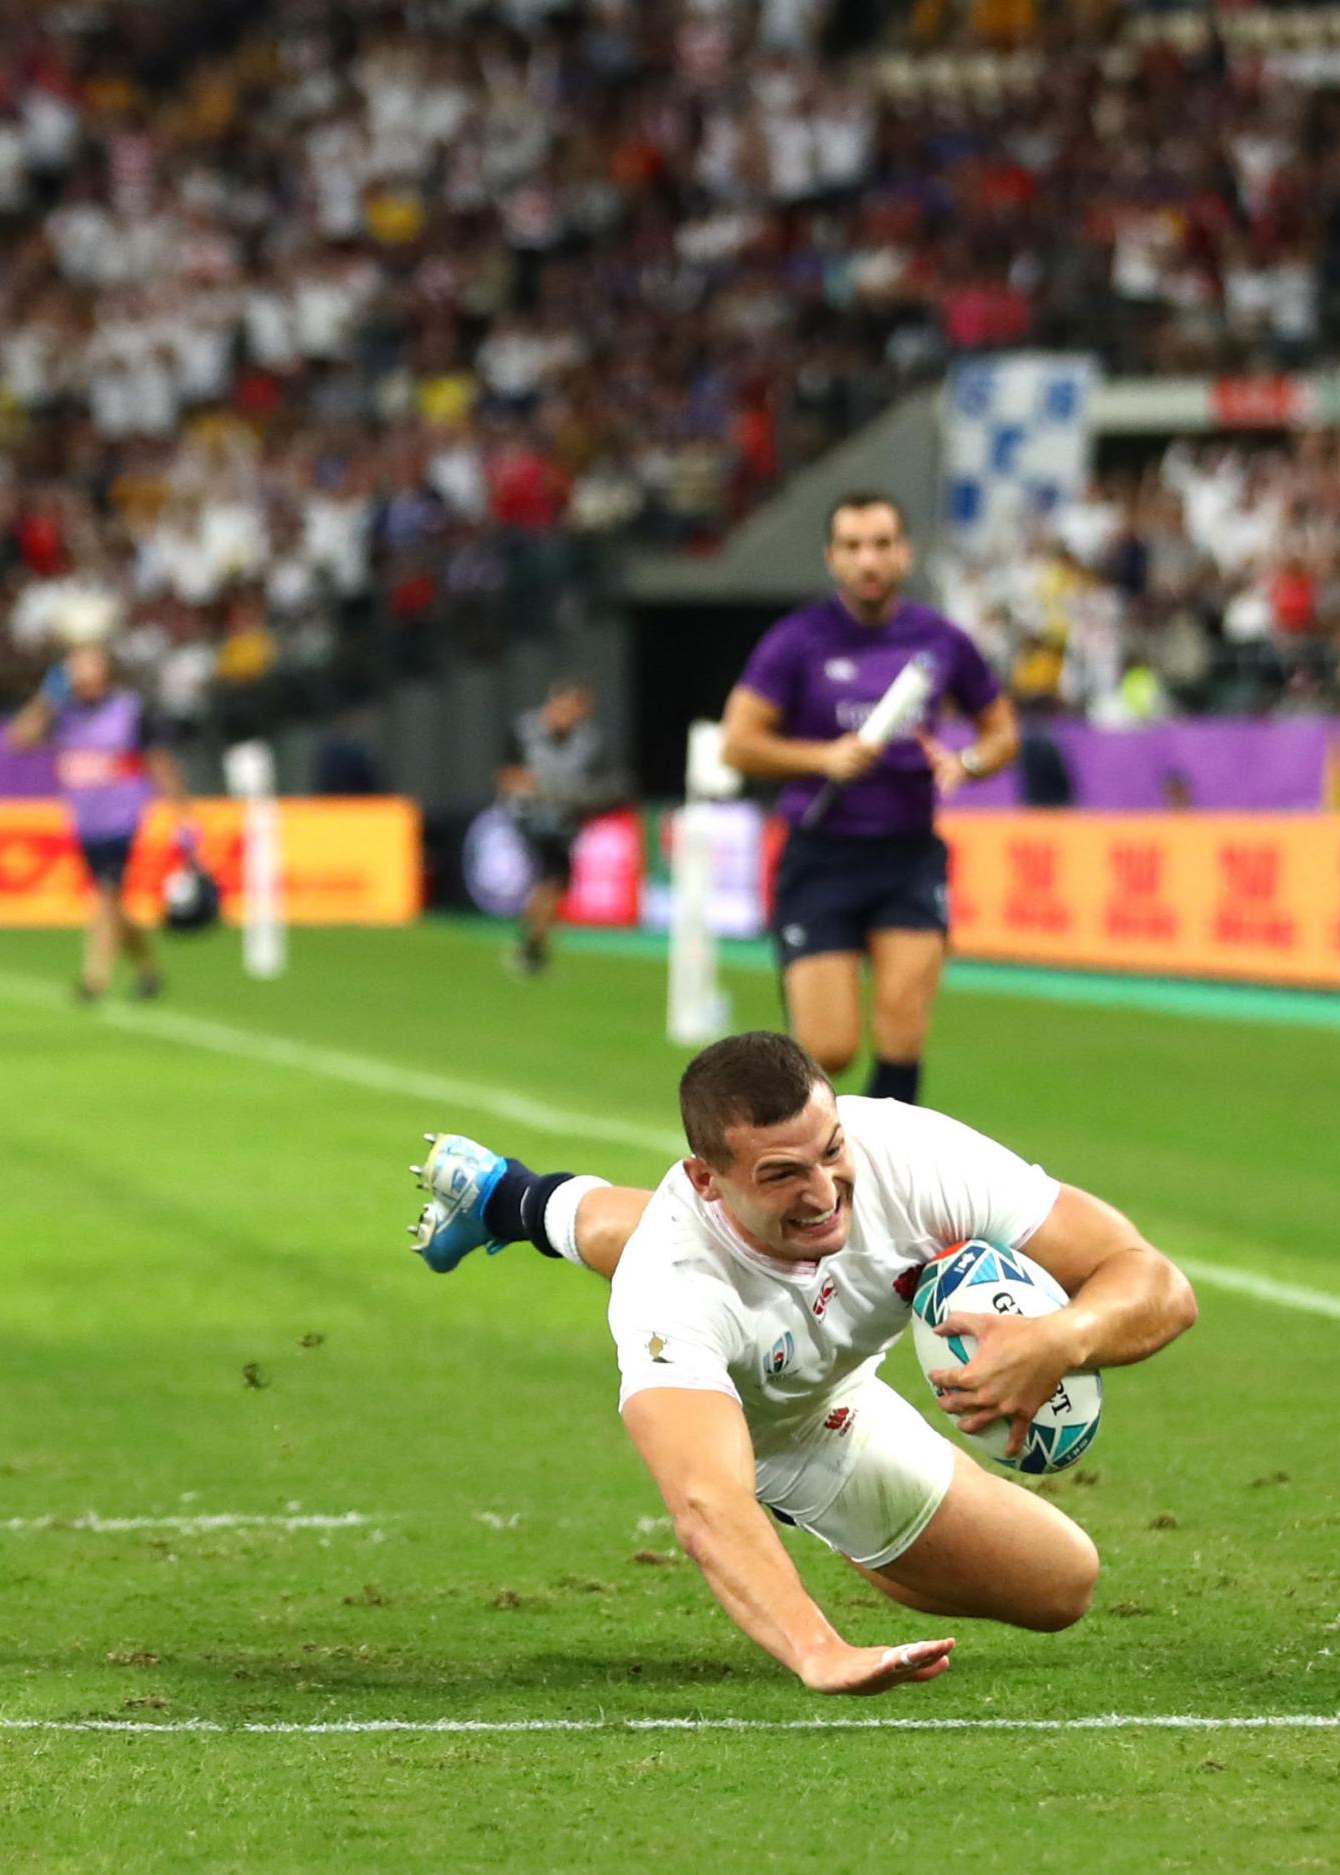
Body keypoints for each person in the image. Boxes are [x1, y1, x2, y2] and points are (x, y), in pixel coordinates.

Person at [403, 1030, 1197, 1695]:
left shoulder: (906, 1149)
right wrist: (819, 1650)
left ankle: (510, 1195)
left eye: (829, 1151)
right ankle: (817, 1504)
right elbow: (706, 1502)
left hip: (816, 1341)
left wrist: (1061, 1336)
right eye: (782, 1173)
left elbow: (1156, 1282)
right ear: (706, 1180)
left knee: (1064, 1592)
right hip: (785, 1426)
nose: (824, 1192)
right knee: (1060, 1578)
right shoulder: (671, 1285)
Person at [720, 494, 1018, 1105]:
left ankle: (884, 1186)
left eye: (881, 544)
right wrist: (821, 758)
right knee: (829, 1049)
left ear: (905, 554)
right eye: (853, 547)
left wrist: (966, 763)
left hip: (908, 856)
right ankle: (806, 1159)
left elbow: (1003, 732)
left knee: (903, 1032)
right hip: (821, 854)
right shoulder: (797, 640)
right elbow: (738, 744)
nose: (868, 560)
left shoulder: (940, 643)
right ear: (832, 559)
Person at [6, 640, 191, 1002]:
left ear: (105, 669)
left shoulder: (129, 711)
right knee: (114, 902)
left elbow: (159, 762)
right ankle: (148, 969)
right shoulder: (64, 713)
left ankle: (95, 978)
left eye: (87, 664)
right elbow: (18, 739)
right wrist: (46, 697)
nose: (80, 673)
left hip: (123, 817)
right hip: (85, 821)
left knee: (106, 893)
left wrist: (182, 812)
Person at [497, 681, 625, 977]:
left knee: (556, 885)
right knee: (551, 878)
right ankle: (532, 948)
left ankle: (532, 944)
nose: (568, 716)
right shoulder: (525, 730)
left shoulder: (588, 741)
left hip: (565, 818)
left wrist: (582, 799)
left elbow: (597, 784)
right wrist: (539, 790)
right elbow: (508, 774)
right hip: (530, 813)